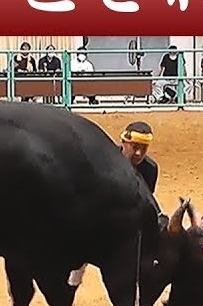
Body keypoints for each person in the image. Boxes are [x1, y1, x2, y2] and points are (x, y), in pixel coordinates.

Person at [66, 122, 160, 292]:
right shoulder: (104, 160)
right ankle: (64, 305)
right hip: (96, 221)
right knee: (76, 267)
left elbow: (146, 199)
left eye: (144, 148)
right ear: (124, 142)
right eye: (135, 147)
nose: (139, 153)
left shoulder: (150, 168)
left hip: (127, 225)